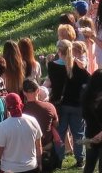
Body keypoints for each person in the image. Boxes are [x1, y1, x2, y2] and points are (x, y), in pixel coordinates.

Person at [47, 39, 90, 167]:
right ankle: (80, 160)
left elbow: (53, 84)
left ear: (59, 51)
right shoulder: (79, 65)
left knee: (60, 133)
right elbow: (87, 81)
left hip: (60, 105)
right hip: (77, 104)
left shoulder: (52, 66)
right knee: (79, 133)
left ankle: (59, 160)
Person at [0, 93, 43, 173]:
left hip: (9, 169)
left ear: (7, 107)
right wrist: (40, 163)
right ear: (21, 104)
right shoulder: (33, 120)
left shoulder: (2, 126)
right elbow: (39, 146)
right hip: (31, 167)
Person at [21, 79, 60, 172]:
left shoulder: (22, 110)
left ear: (24, 93)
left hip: (28, 151)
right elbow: (56, 124)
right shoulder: (50, 107)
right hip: (46, 148)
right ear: (38, 90)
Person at [82, 69, 102, 173]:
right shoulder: (86, 98)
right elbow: (86, 117)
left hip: (93, 135)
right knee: (89, 166)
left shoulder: (86, 97)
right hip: (91, 136)